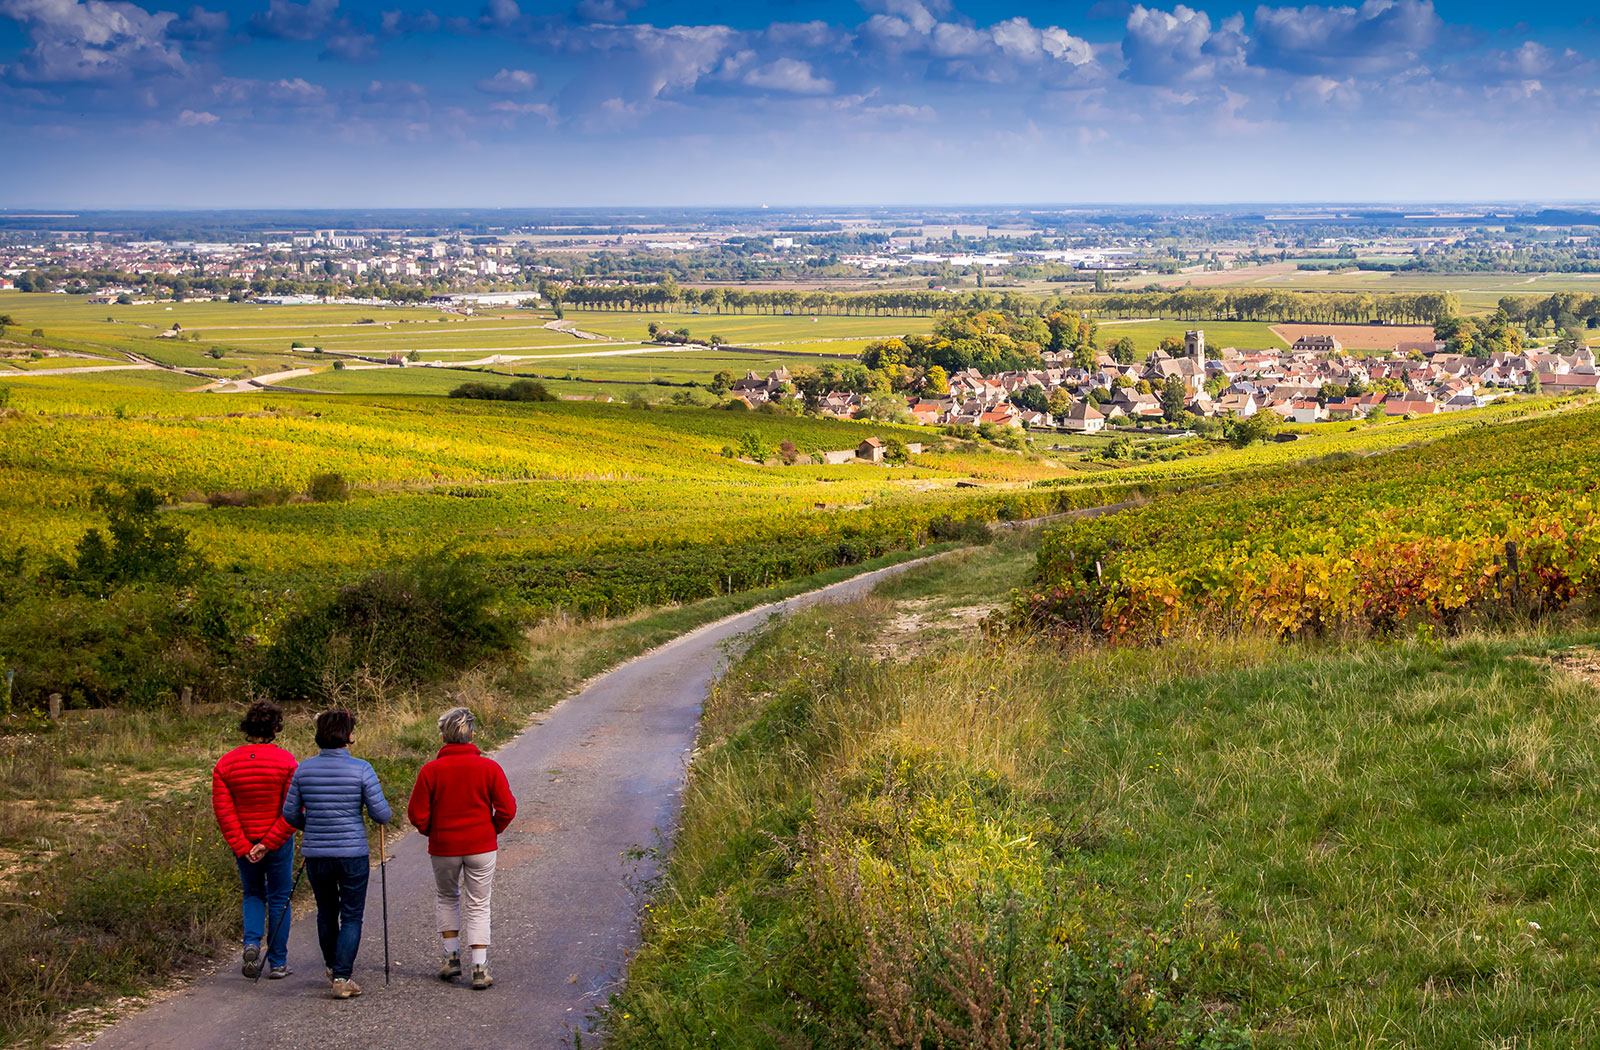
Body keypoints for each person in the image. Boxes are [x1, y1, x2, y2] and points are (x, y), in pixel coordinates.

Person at [282, 708, 392, 1000]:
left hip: (317, 853)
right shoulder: (362, 769)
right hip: (352, 852)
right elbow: (381, 814)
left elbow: (290, 815)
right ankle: (342, 976)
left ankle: (333, 967)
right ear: (349, 736)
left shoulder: (303, 770)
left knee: (326, 912)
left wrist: (314, 825)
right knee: (352, 915)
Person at [407, 707, 516, 991]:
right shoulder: (489, 768)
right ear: (472, 735)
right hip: (481, 844)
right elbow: (507, 808)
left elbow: (417, 814)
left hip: (444, 846)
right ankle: (479, 967)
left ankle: (451, 957)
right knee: (479, 903)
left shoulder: (430, 770)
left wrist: (433, 831)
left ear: (443, 735)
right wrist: (493, 829)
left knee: (447, 897)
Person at [212, 700, 299, 980]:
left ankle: (251, 943)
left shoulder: (226, 764)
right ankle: (277, 962)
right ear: (275, 729)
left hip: (245, 840)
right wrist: (270, 841)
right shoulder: (287, 761)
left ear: (247, 727)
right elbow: (292, 809)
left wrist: (243, 845)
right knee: (279, 898)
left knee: (252, 893)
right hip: (277, 841)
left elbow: (224, 811)